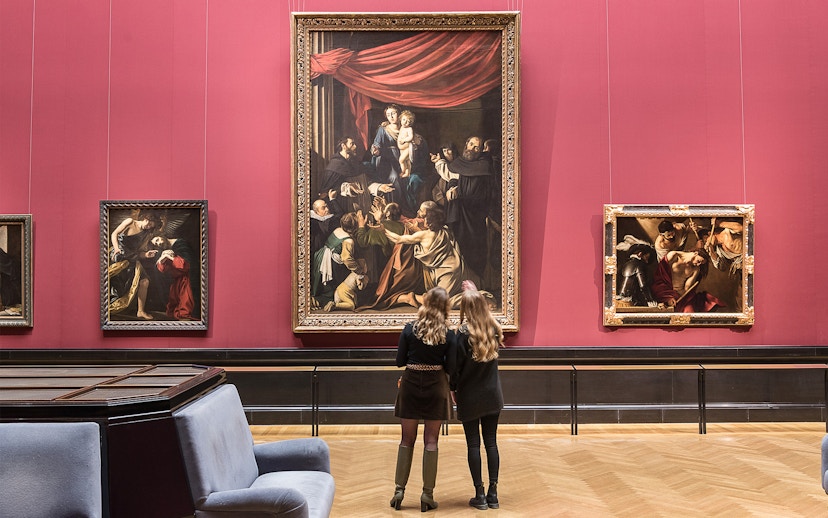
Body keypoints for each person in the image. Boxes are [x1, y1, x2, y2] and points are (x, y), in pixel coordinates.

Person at [390, 286, 456, 512]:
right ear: (445, 306)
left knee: (406, 439)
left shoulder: (409, 329)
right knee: (431, 441)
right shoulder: (448, 334)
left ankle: (399, 491)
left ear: (425, 302)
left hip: (410, 385)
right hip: (436, 385)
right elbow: (452, 367)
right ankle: (427, 495)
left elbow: (399, 360)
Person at [450, 281, 504, 510]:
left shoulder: (460, 336)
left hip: (469, 396)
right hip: (492, 395)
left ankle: (479, 494)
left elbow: (454, 370)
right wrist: (474, 290)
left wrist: (453, 391)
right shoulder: (493, 330)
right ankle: (493, 492)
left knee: (473, 444)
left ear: (464, 309)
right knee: (491, 443)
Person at [385, 203, 482, 308]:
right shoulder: (445, 230)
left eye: (422, 212)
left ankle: (410, 298)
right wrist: (417, 230)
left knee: (441, 303)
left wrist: (383, 230)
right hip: (456, 269)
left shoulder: (424, 234)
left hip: (447, 274)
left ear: (429, 218)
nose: (418, 212)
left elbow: (399, 239)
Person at [108, 210, 161, 320]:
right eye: (150, 223)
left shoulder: (147, 234)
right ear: (146, 218)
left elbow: (138, 253)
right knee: (117, 288)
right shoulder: (130, 221)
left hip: (132, 258)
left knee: (145, 281)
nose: (149, 227)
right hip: (119, 257)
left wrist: (146, 254)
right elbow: (114, 233)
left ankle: (140, 311)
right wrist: (117, 248)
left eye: (152, 226)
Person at [311, 212, 363, 308]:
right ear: (355, 227)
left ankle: (317, 298)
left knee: (325, 286)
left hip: (321, 256)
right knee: (333, 288)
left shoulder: (337, 230)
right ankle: (324, 302)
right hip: (331, 263)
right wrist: (357, 269)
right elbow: (347, 259)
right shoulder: (348, 241)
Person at [651, 249, 724, 313]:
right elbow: (660, 276)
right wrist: (668, 297)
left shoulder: (696, 269)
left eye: (701, 263)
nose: (698, 264)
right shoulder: (674, 255)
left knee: (689, 313)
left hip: (680, 298)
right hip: (664, 291)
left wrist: (677, 298)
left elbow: (687, 289)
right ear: (695, 253)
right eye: (699, 261)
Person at [150, 234, 198, 320]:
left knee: (185, 309)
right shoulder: (165, 250)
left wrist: (170, 257)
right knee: (173, 309)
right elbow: (162, 269)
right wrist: (162, 259)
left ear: (161, 236)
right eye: (156, 244)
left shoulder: (180, 244)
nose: (158, 244)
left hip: (187, 280)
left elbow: (186, 265)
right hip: (177, 281)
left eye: (157, 240)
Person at [319, 136, 370, 216]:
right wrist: (346, 188)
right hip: (342, 205)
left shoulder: (355, 162)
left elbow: (365, 179)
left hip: (359, 202)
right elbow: (326, 191)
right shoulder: (335, 165)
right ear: (343, 146)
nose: (355, 146)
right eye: (352, 144)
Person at [615, 243, 657, 307]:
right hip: (627, 303)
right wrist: (650, 300)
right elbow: (643, 286)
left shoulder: (624, 264)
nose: (647, 262)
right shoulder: (638, 264)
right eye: (646, 257)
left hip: (617, 302)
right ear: (640, 254)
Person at [397, 110, 415, 179]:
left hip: (407, 148)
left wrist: (404, 140)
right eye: (404, 119)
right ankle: (407, 173)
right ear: (401, 119)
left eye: (408, 121)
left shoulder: (409, 129)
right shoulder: (401, 127)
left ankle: (403, 171)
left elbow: (411, 137)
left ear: (410, 123)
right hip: (402, 149)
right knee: (406, 161)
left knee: (401, 160)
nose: (405, 122)